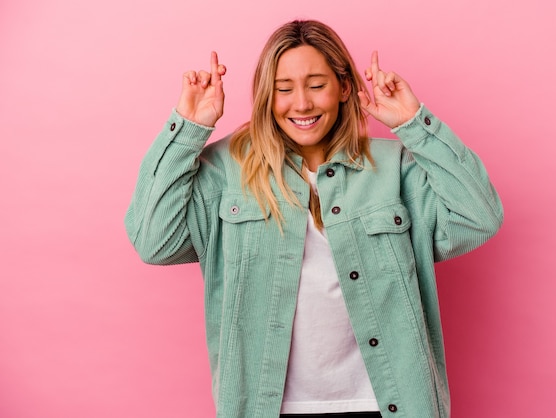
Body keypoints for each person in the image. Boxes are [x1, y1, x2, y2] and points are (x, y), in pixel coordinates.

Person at [125, 19, 503, 418]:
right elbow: (155, 243)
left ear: (343, 87)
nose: (301, 103)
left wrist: (414, 125)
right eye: (284, 89)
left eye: (317, 85)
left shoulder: (394, 168)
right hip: (266, 407)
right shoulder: (225, 170)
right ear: (267, 97)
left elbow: (478, 218)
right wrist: (188, 129)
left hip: (388, 405)